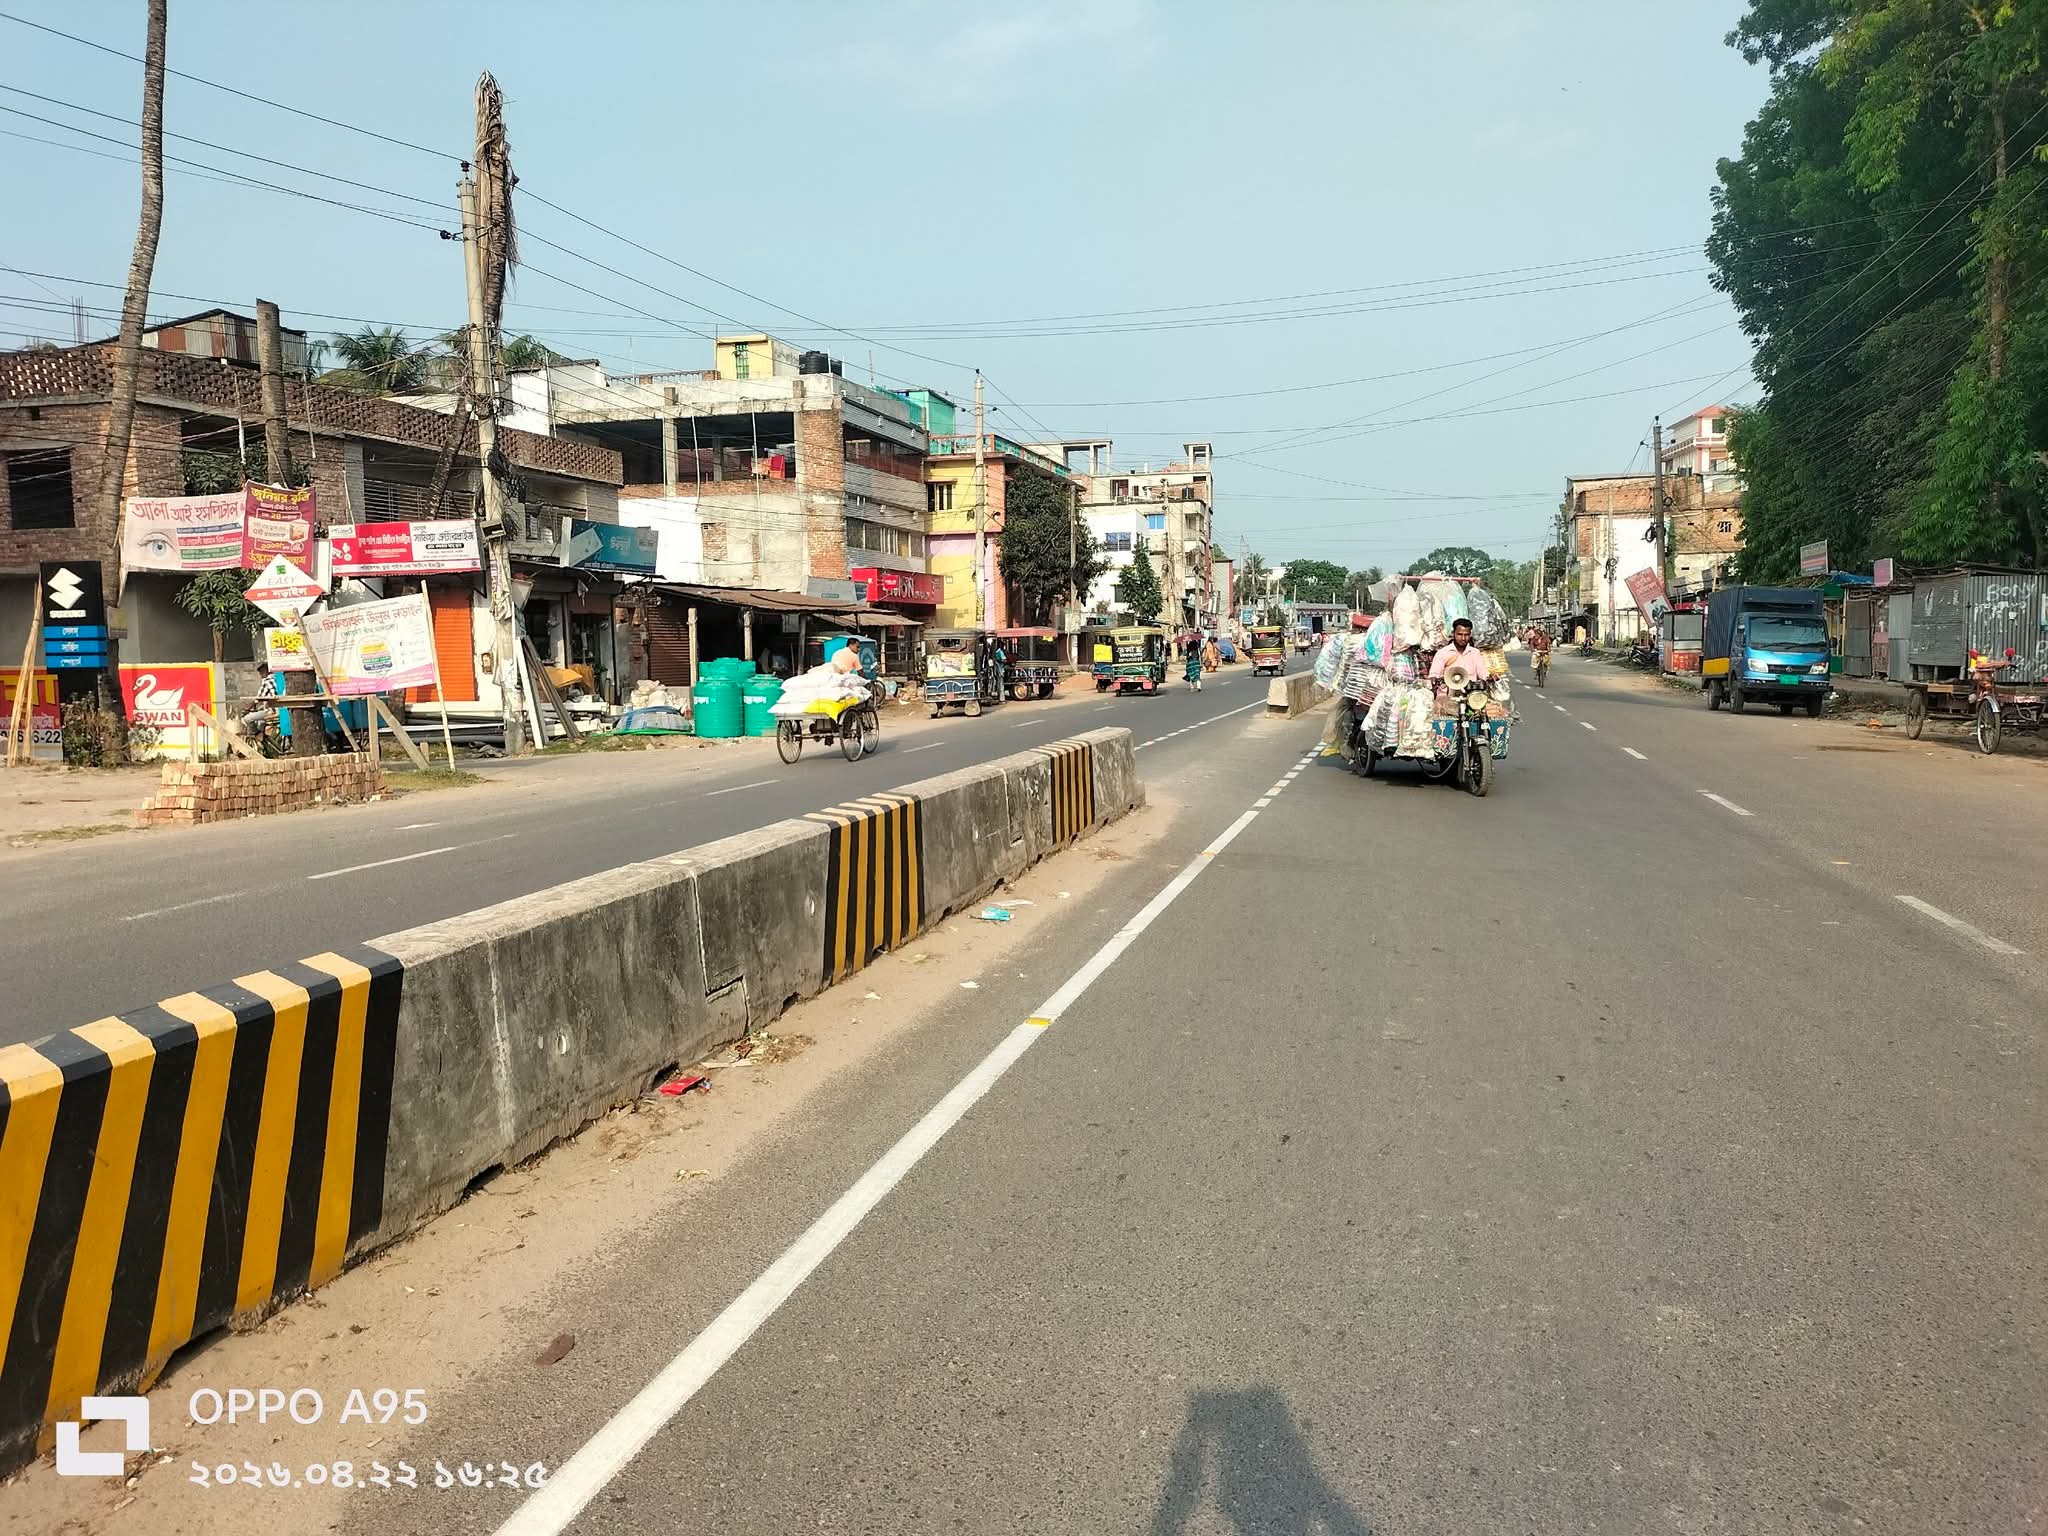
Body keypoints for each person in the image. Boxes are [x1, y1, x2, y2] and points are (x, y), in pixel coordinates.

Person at [1428, 617, 1488, 689]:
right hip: (1449, 693)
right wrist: (1434, 678)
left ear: (1470, 635)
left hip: (1471, 692)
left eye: (1466, 635)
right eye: (1460, 634)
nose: (1463, 638)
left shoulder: (1475, 653)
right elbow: (1434, 673)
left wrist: (1489, 678)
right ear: (1453, 633)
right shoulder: (1442, 653)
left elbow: (1483, 673)